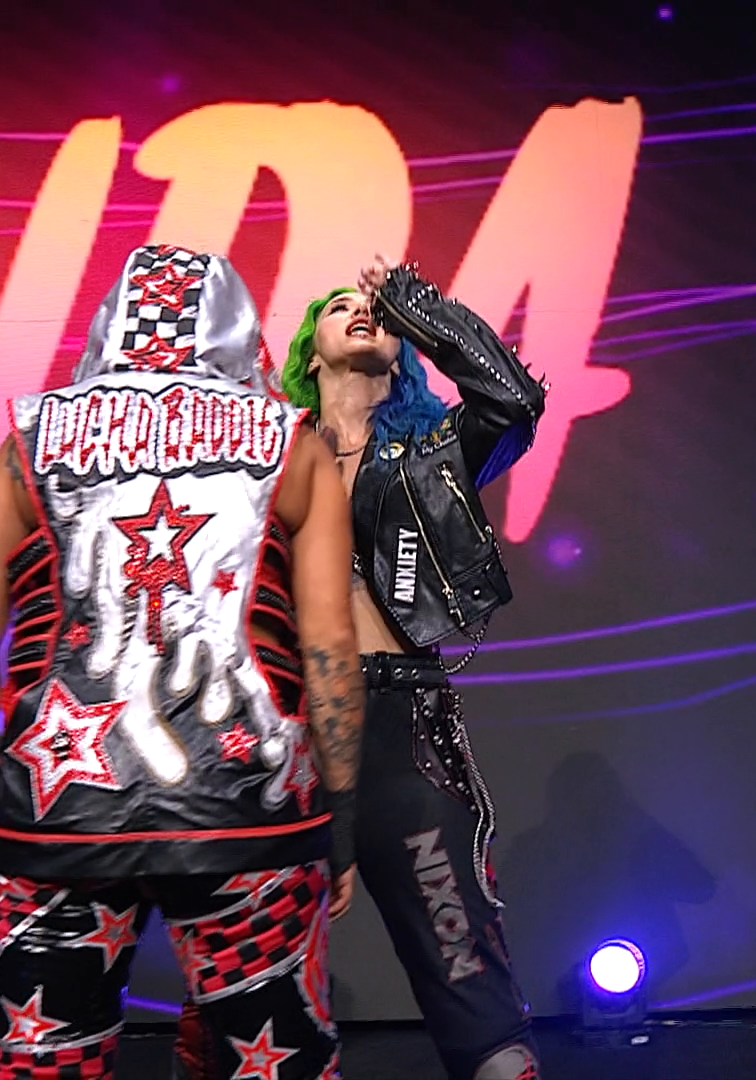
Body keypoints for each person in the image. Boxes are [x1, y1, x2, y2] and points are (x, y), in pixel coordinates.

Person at [0, 244, 365, 1080]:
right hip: (249, 812)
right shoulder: (291, 442)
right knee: (273, 1063)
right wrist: (342, 818)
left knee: (47, 1059)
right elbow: (329, 647)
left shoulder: (28, 439)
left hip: (54, 805)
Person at [189, 257, 548, 1080]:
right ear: (307, 352)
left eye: (378, 312)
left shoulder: (435, 452)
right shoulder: (266, 459)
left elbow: (513, 402)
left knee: (462, 963)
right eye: (341, 307)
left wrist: (414, 302)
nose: (364, 313)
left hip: (400, 727)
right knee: (241, 975)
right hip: (278, 730)